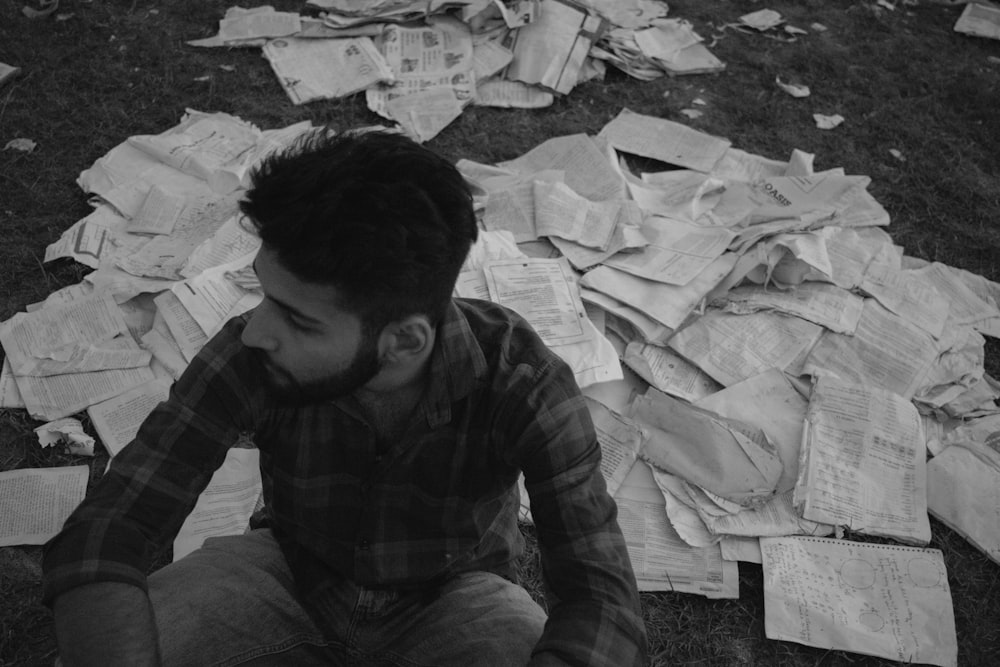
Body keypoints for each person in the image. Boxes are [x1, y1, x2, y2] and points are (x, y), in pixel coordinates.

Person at [43, 129, 647, 666]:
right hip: (285, 571)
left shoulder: (523, 379)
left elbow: (601, 594)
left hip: (457, 599)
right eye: (265, 292)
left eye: (301, 321)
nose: (256, 330)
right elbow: (114, 526)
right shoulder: (254, 350)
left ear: (403, 341)